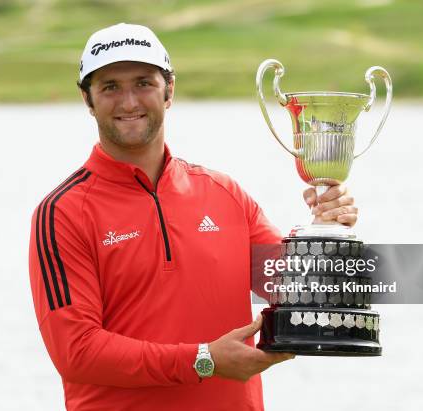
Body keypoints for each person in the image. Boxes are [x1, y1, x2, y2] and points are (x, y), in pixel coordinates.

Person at [28, 23, 358, 411]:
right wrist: (204, 360)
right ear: (88, 99)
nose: (129, 101)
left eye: (144, 82)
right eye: (110, 87)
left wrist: (329, 231)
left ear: (169, 91)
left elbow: (302, 293)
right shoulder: (62, 212)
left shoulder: (225, 195)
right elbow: (77, 351)